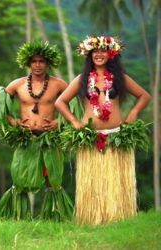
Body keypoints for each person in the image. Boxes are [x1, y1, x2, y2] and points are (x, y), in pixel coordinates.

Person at [55, 35, 151, 225]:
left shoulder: (119, 78)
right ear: (89, 55)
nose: (99, 54)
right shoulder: (82, 79)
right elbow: (60, 102)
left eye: (103, 51)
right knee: (93, 182)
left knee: (116, 182)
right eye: (95, 51)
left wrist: (133, 113)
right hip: (90, 138)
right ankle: (92, 217)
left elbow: (144, 95)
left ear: (111, 54)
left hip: (117, 137)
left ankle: (118, 216)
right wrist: (74, 121)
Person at [0, 41, 73, 221]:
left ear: (48, 63)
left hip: (49, 138)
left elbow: (75, 107)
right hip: (26, 137)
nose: (38, 65)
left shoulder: (59, 85)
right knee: (20, 177)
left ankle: (55, 217)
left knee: (52, 178)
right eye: (34, 61)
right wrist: (13, 122)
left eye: (42, 61)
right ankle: (17, 216)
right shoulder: (17, 84)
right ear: (28, 63)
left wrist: (59, 122)